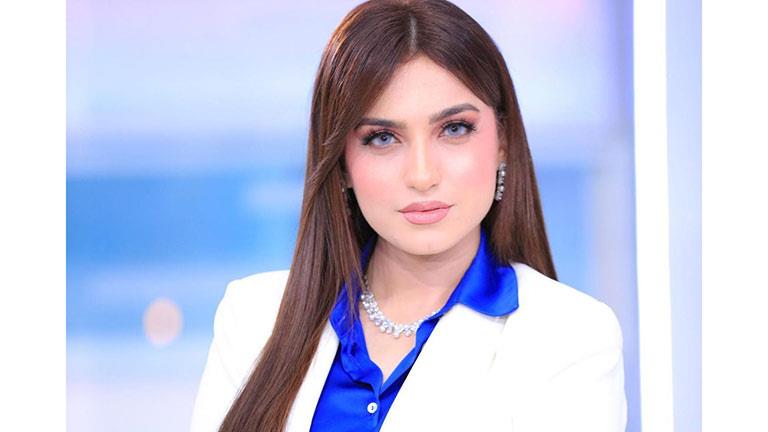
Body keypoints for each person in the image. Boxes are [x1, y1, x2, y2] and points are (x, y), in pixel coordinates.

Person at [190, 0, 627, 431]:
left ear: (502, 142)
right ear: (341, 162)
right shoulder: (253, 318)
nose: (421, 175)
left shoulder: (569, 336)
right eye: (383, 138)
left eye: (454, 129)